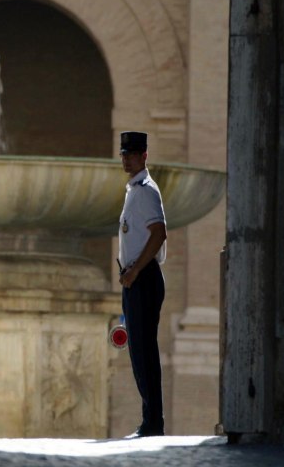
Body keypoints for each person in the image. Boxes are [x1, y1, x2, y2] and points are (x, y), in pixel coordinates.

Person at [117, 131, 167, 437]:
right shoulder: (133, 189)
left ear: (144, 156)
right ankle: (150, 419)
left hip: (143, 278)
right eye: (123, 153)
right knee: (139, 350)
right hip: (135, 278)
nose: (126, 158)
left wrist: (134, 271)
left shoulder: (146, 191)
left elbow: (158, 233)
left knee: (144, 350)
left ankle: (152, 422)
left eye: (132, 153)